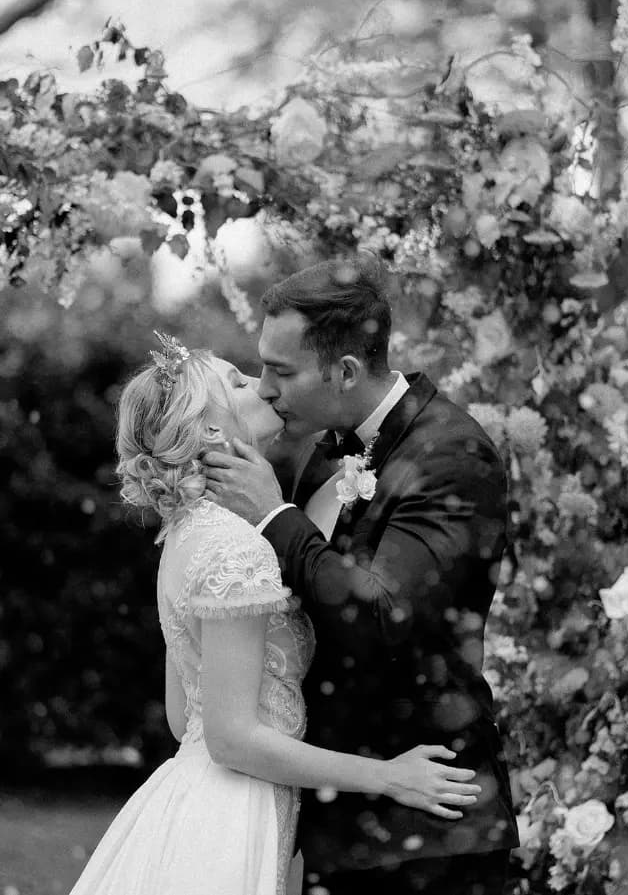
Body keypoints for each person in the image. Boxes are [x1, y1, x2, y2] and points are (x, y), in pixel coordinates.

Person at [67, 332, 482, 895]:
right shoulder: (236, 546)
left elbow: (181, 715)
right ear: (211, 431)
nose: (261, 386)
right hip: (229, 812)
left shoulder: (186, 535)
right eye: (237, 383)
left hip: (201, 796)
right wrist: (387, 777)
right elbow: (231, 738)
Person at [203, 257, 519, 895]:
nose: (265, 387)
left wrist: (274, 516)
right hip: (341, 819)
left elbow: (383, 617)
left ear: (345, 372)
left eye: (281, 371)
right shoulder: (326, 448)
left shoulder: (453, 456)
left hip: (428, 824)